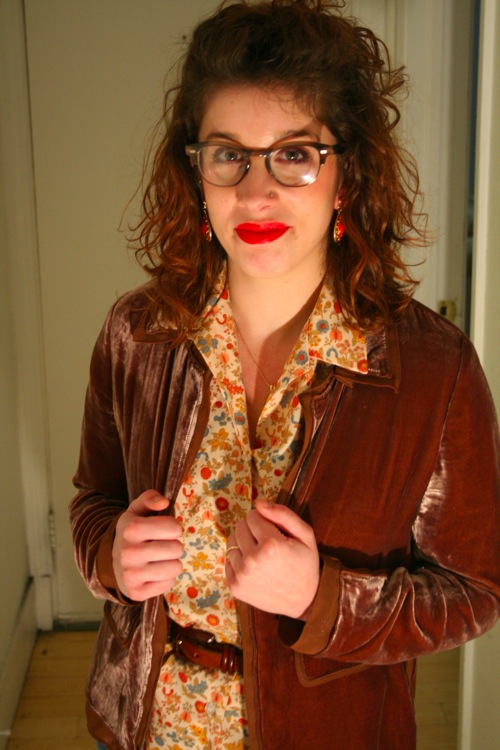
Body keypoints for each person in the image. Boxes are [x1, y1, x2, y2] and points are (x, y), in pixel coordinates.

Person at [70, 1, 500, 749]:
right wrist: (110, 556)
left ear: (347, 175)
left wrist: (322, 597)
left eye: (295, 154)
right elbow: (91, 504)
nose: (255, 193)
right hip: (152, 728)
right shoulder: (137, 334)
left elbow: (474, 593)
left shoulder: (435, 368)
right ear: (196, 172)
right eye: (228, 155)